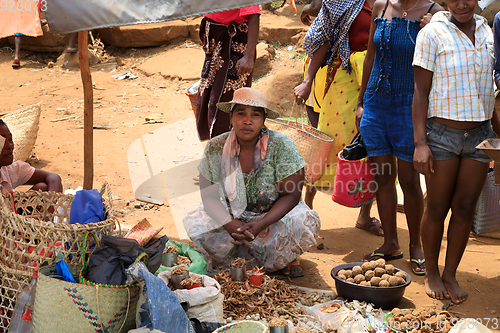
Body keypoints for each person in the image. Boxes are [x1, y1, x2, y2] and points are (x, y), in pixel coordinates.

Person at [412, 0, 500, 303]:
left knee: (465, 208)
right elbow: (420, 92)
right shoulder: (433, 32)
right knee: (437, 207)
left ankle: (450, 273)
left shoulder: (488, 31)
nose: (461, 3)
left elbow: (488, 88)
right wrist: (421, 144)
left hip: (480, 136)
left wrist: (498, 135)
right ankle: (433, 272)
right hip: (441, 136)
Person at [183, 88, 321, 277]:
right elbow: (208, 197)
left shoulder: (281, 145)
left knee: (302, 222)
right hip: (231, 218)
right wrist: (229, 224)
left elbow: (292, 194)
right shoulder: (216, 146)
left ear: (263, 119)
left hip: (272, 218)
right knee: (198, 225)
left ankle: (285, 258)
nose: (247, 121)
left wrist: (261, 224)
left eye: (255, 115)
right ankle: (265, 259)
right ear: (231, 118)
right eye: (241, 114)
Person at [356, 0, 442, 274]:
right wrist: (361, 101)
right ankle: (391, 243)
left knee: (408, 179)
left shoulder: (434, 12)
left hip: (411, 106)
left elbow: (446, 58)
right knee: (382, 176)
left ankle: (416, 245)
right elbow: (370, 55)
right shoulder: (381, 6)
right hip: (376, 103)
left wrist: (436, 30)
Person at [294, 0, 383, 237]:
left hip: (378, 79)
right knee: (326, 142)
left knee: (372, 146)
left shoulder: (395, 4)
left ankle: (364, 216)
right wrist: (307, 81)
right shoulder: (342, 1)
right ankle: (305, 209)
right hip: (346, 77)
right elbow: (322, 38)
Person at [195, 6, 260, 141]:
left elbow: (253, 15)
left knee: (227, 102)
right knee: (208, 98)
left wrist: (249, 55)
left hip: (234, 45)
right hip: (215, 41)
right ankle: (218, 150)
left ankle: (229, 152)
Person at [0, 119, 62, 194]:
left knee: (43, 188)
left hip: (8, 205)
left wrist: (51, 202)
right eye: (2, 142)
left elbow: (54, 177)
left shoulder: (8, 171)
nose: (9, 145)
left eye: (10, 140)